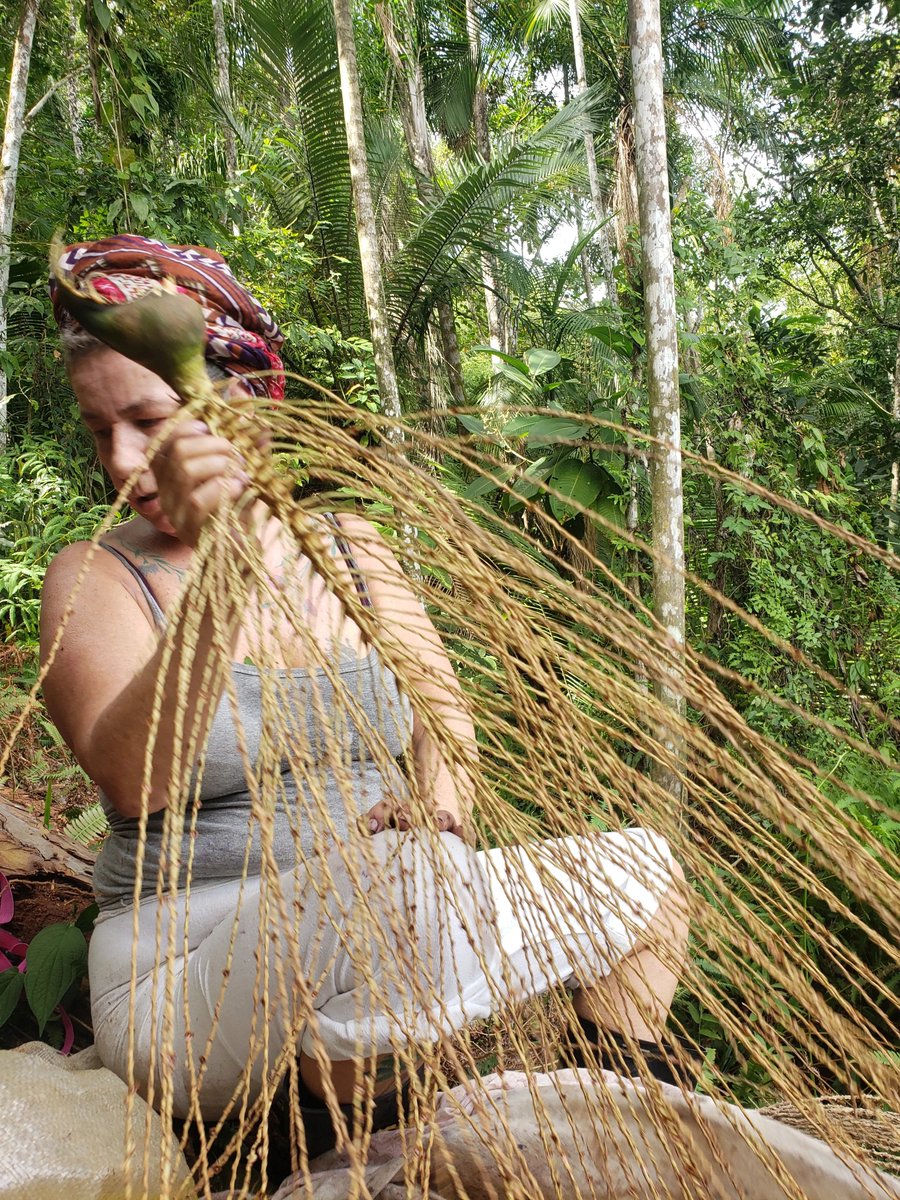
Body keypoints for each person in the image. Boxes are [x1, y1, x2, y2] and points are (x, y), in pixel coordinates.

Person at [40, 234, 689, 1157]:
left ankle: (617, 1120)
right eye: (101, 429)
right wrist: (224, 559)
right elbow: (138, 784)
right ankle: (338, 1153)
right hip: (181, 965)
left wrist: (441, 805)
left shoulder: (350, 545)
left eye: (148, 420)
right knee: (380, 900)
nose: (124, 460)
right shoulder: (95, 577)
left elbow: (444, 716)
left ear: (246, 406)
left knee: (645, 874)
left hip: (393, 914)